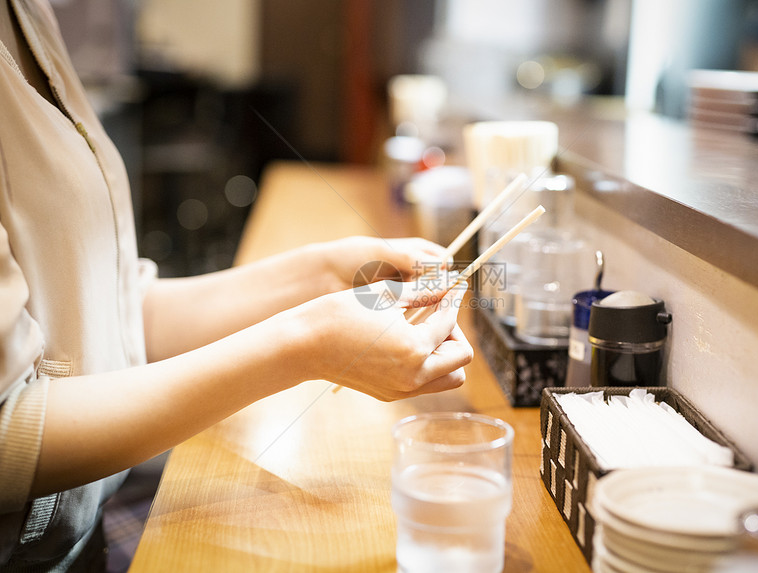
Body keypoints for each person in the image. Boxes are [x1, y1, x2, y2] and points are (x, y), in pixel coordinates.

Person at [0, 0, 473, 569]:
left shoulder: (28, 14)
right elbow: (9, 432)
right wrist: (307, 343)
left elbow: (116, 316)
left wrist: (319, 274)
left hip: (90, 515)